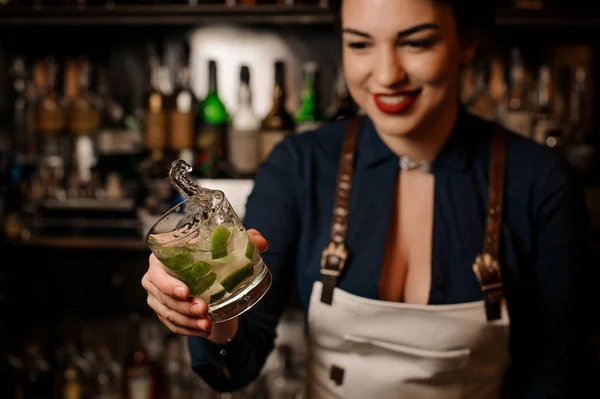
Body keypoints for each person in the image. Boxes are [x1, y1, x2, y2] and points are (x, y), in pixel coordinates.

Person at [141, 0, 600, 397]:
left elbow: (555, 374)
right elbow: (235, 365)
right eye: (360, 44)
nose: (386, 75)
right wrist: (207, 307)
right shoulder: (300, 165)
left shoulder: (539, 180)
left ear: (468, 42)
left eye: (416, 42)